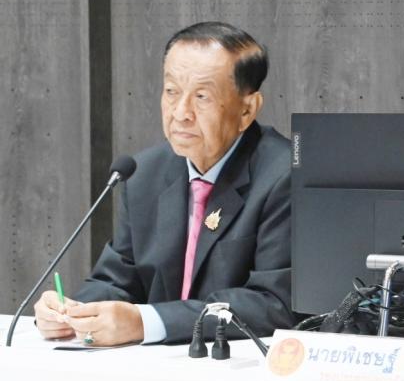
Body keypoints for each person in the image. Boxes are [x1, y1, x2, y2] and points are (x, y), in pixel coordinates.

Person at [33, 21, 295, 346]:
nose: (181, 112)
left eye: (202, 96)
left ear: (247, 109)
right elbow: (117, 280)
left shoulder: (284, 176)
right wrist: (72, 312)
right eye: (171, 91)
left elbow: (272, 304)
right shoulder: (143, 173)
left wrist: (146, 323)